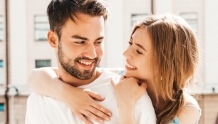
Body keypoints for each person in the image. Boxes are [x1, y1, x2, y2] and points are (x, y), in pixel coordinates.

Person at [28, 14, 202, 124]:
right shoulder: (119, 77)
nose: (126, 53)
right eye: (130, 44)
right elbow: (36, 77)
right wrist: (71, 95)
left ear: (166, 62)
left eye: (139, 51)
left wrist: (126, 103)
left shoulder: (185, 109)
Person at [25, 0, 156, 124]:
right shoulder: (38, 102)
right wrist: (68, 94)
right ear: (53, 40)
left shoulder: (131, 94)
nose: (92, 54)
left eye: (98, 42)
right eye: (80, 42)